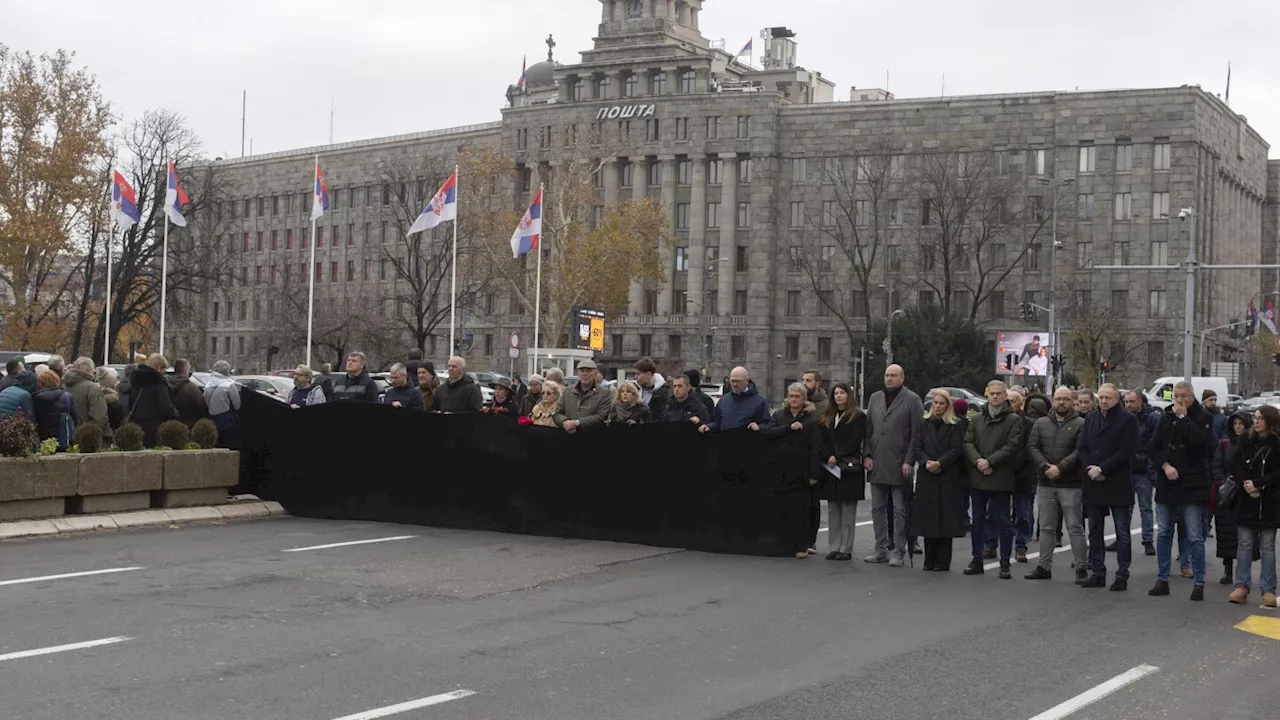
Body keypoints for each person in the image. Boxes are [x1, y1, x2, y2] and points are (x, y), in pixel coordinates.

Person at [1148, 381, 1216, 601]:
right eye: (1176, 396)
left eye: (1184, 396)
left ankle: (1199, 582)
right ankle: (1162, 578)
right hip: (1167, 482)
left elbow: (1200, 444)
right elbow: (1154, 447)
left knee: (1195, 535)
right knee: (1165, 532)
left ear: (1192, 396)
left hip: (1192, 483)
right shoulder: (1165, 416)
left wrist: (1183, 418)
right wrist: (1165, 466)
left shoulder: (1203, 417)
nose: (1179, 400)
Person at [1075, 384, 1138, 591]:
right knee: (1095, 530)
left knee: (1122, 532)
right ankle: (1098, 572)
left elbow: (1126, 450)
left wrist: (1103, 468)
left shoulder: (1127, 419)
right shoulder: (1091, 418)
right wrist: (1090, 468)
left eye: (1108, 398)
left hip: (1117, 481)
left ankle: (1122, 574)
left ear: (1116, 399)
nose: (1103, 401)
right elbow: (1082, 446)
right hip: (1093, 481)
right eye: (1101, 397)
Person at [864, 364, 924, 567]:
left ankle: (898, 550)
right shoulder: (875, 398)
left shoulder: (913, 400)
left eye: (894, 375)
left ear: (902, 378)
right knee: (877, 509)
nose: (889, 379)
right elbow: (868, 430)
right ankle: (880, 548)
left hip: (900, 464)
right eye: (887, 375)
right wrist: (867, 454)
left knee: (900, 510)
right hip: (877, 462)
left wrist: (909, 460)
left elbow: (917, 434)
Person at [962, 380, 1024, 579]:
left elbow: (1012, 447)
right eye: (992, 393)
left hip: (1001, 477)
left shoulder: (1014, 420)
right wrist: (979, 461)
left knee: (1004, 521)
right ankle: (976, 559)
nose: (995, 397)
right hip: (978, 477)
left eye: (999, 393)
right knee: (978, 521)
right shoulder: (976, 419)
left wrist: (989, 462)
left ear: (1005, 396)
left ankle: (1005, 563)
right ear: (987, 394)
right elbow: (968, 443)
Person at [1025, 386, 1087, 581]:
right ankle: (1044, 567)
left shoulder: (1081, 424)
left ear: (1072, 402)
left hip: (1071, 483)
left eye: (1066, 399)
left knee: (1074, 526)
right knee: (1046, 527)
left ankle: (1081, 568)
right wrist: (1045, 466)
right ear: (1053, 401)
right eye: (1058, 399)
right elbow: (1032, 447)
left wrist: (1060, 467)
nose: (1062, 402)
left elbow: (1080, 450)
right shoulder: (1041, 424)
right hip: (1045, 482)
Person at [762, 382, 823, 559]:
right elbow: (768, 433)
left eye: (797, 397)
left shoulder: (811, 420)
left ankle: (801, 546)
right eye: (791, 396)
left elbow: (815, 448)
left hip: (801, 472)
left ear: (804, 400)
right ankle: (782, 544)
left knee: (801, 511)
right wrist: (789, 428)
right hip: (781, 469)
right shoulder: (779, 416)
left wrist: (813, 473)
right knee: (781, 509)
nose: (794, 400)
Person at [1229, 405, 1280, 607]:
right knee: (1244, 545)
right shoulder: (1245, 439)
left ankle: (1268, 589)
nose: (1256, 422)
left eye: (1260, 418)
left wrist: (1259, 484)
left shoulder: (1276, 443)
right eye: (1255, 418)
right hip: (1246, 499)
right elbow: (1235, 464)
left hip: (1269, 502)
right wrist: (1247, 484)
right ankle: (1241, 586)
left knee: (1267, 546)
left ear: (1270, 421)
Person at [911, 389, 966, 571]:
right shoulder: (923, 423)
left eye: (941, 403)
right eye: (935, 403)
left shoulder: (955, 425)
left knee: (945, 518)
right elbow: (917, 445)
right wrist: (926, 462)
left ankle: (942, 561)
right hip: (927, 475)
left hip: (946, 475)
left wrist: (940, 463)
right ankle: (929, 559)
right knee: (928, 518)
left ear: (947, 406)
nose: (937, 406)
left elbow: (957, 449)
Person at [817, 382, 866, 562]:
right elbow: (821, 440)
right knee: (833, 510)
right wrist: (827, 456)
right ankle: (834, 547)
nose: (839, 396)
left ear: (849, 395)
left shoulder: (858, 416)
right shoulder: (826, 416)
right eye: (836, 393)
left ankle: (846, 548)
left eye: (842, 393)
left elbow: (854, 441)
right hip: (830, 469)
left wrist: (836, 456)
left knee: (847, 511)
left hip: (848, 468)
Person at [1212, 411, 1251, 584]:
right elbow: (1217, 465)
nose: (1238, 427)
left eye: (1241, 424)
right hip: (1227, 496)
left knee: (1245, 537)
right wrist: (1223, 483)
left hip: (1245, 495)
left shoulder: (1252, 445)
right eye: (1235, 424)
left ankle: (1244, 572)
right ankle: (1227, 570)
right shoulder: (1225, 444)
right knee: (1226, 535)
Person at [1123, 390, 1162, 557]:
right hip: (1127, 468)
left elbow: (1156, 442)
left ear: (1140, 401)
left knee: (1145, 507)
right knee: (1125, 507)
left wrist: (1148, 462)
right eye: (1126, 402)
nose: (1129, 405)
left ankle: (1147, 541)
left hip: (1143, 470)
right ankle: (1122, 539)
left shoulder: (1152, 418)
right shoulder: (1124, 418)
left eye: (1132, 402)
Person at [128, 354, 179, 447]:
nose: (164, 373)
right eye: (164, 369)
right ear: (159, 367)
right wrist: (176, 413)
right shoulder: (159, 384)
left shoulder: (137, 381)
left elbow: (130, 402)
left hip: (137, 425)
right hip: (155, 426)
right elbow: (166, 406)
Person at [703, 366, 770, 433]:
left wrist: (759, 427)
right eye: (732, 381)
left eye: (738, 381)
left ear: (746, 381)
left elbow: (768, 425)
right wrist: (709, 427)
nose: (734, 384)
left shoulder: (760, 402)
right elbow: (717, 423)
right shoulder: (723, 401)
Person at [63, 357, 111, 443]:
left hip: (69, 435)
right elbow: (99, 417)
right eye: (93, 369)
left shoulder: (63, 386)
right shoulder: (92, 388)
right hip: (88, 438)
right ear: (89, 370)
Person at [554, 360, 611, 431]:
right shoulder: (568, 391)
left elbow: (601, 416)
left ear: (595, 373)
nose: (585, 374)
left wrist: (577, 423)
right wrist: (565, 422)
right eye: (582, 371)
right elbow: (557, 413)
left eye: (588, 371)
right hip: (567, 435)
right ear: (578, 373)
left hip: (591, 436)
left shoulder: (604, 393)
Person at [32, 370, 76, 451]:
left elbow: (35, 419)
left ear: (41, 383)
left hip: (44, 439)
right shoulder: (67, 397)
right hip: (64, 438)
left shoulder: (37, 398)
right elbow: (74, 417)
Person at [203, 361, 242, 450]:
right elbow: (237, 405)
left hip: (212, 421)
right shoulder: (229, 385)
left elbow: (206, 403)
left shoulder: (208, 385)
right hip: (228, 422)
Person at [166, 358, 209, 427]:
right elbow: (202, 406)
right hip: (189, 425)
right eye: (189, 369)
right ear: (186, 370)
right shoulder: (191, 388)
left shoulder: (166, 385)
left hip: (171, 425)